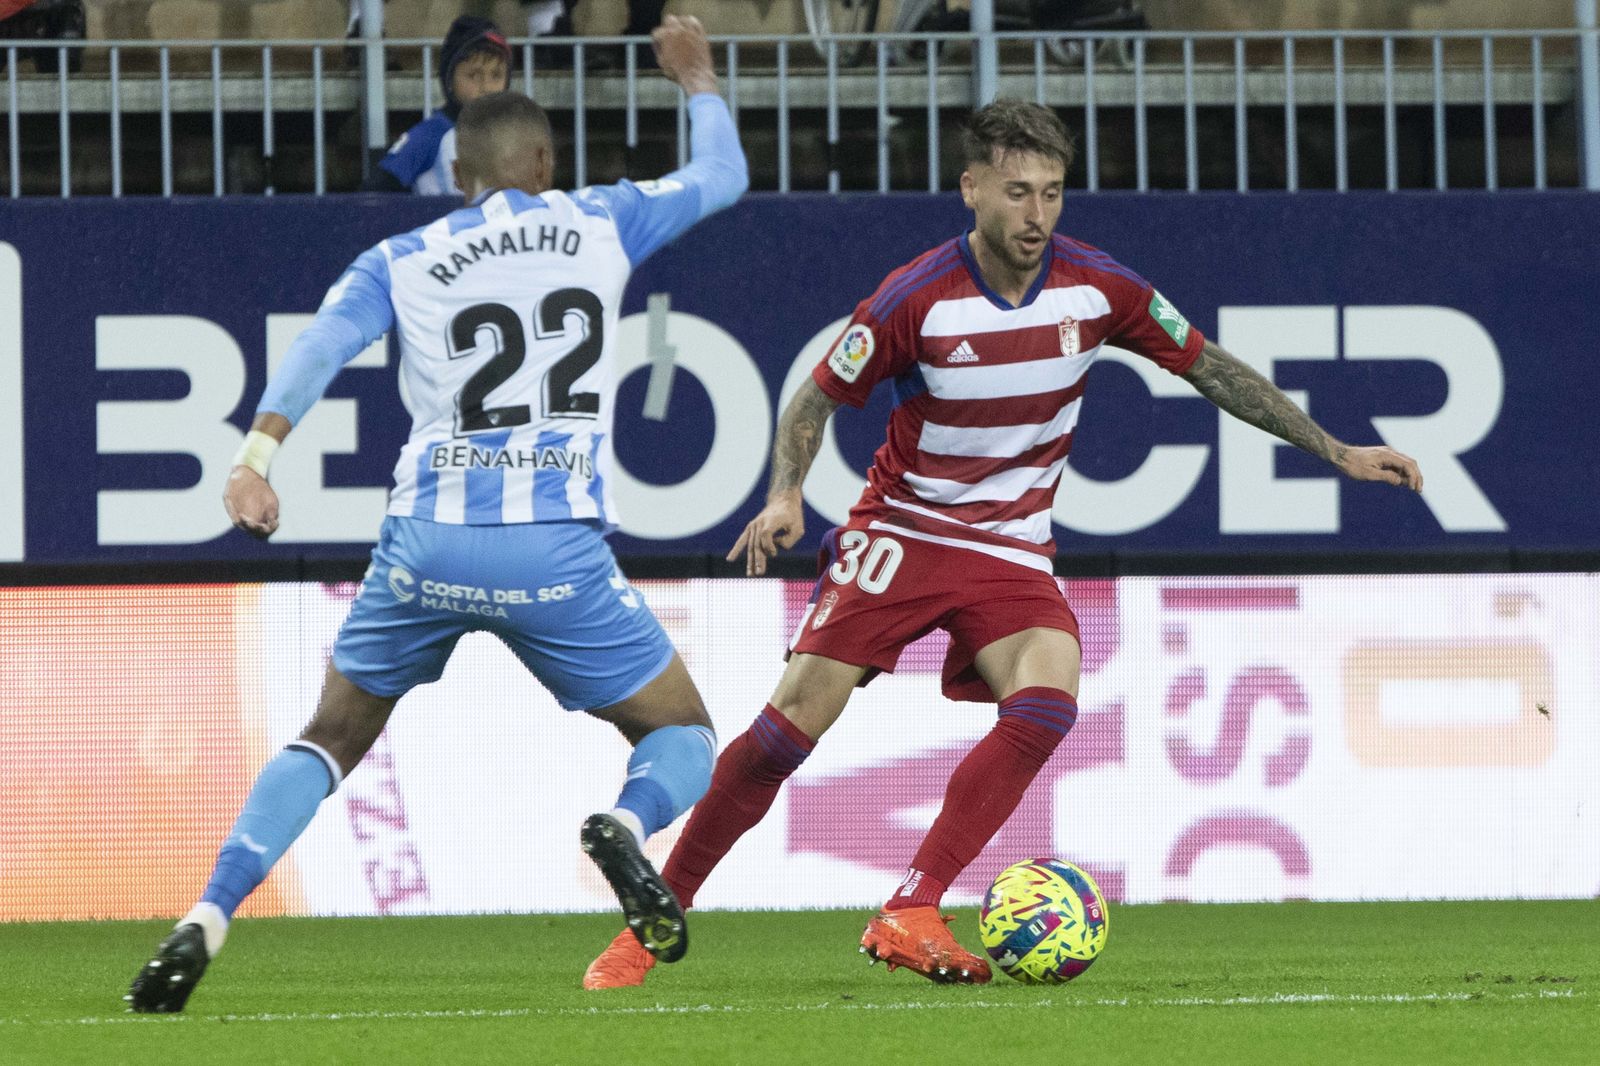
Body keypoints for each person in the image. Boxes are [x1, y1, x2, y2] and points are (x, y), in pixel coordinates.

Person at [583, 99, 1424, 989]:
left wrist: (1333, 447)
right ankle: (649, 923)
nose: (1037, 216)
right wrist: (788, 493)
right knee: (792, 729)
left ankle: (911, 905)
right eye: (1018, 193)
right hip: (903, 529)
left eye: (1053, 194)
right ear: (972, 188)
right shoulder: (917, 297)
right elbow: (817, 397)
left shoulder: (1099, 288)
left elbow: (1210, 367)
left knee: (1050, 692)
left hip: (1013, 548)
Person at [124, 14, 748, 1014]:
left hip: (425, 545)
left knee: (329, 736)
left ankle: (208, 912)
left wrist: (254, 460)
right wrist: (697, 78)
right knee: (681, 733)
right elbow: (721, 177)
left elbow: (321, 346)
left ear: (461, 174)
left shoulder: (402, 256)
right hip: (555, 554)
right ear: (544, 160)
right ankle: (625, 831)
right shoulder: (602, 218)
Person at [360, 15, 511, 195]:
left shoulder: (512, 139)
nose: (487, 87)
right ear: (449, 80)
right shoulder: (430, 135)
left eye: (496, 76)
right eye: (474, 75)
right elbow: (373, 195)